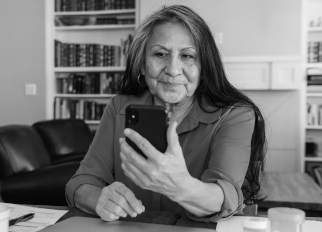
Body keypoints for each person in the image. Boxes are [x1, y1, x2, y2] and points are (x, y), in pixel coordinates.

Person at [65, 5, 266, 223]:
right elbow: (80, 183)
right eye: (160, 54)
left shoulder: (235, 115)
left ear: (204, 67)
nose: (172, 69)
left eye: (187, 56)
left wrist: (181, 186)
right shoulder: (118, 107)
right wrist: (99, 199)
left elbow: (226, 195)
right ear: (141, 65)